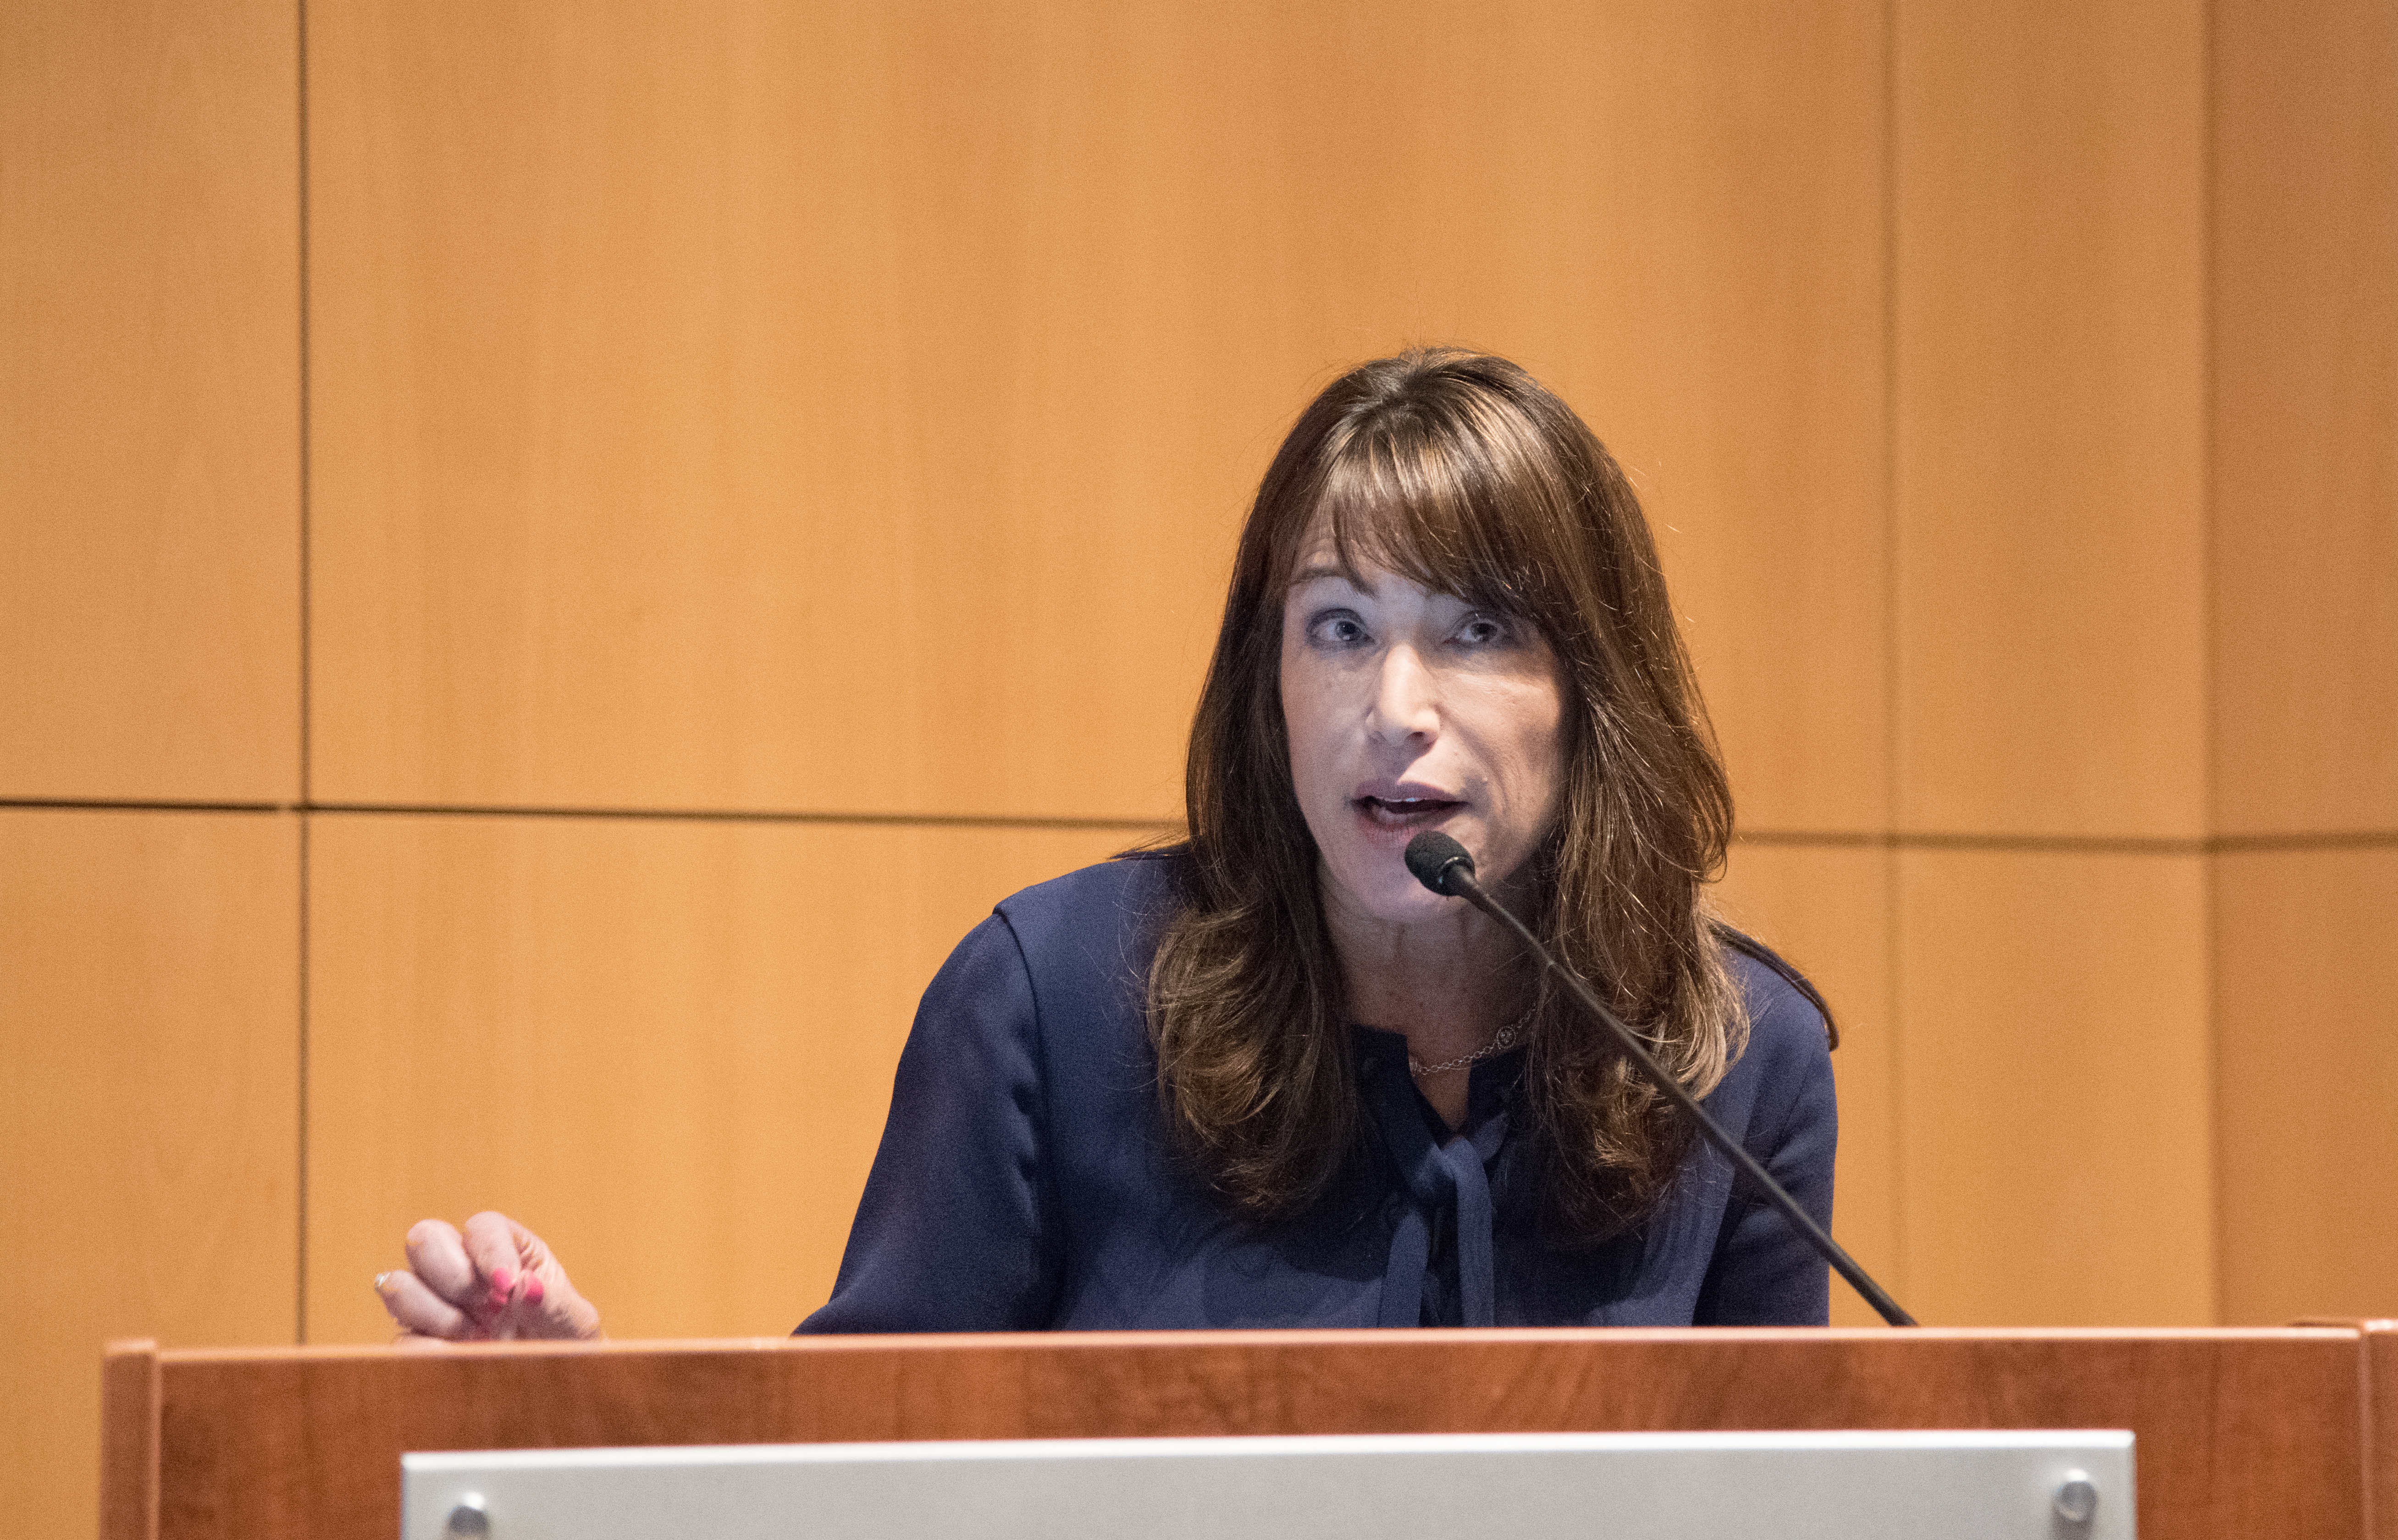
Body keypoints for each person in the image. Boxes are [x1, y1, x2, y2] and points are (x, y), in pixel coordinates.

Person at [376, 348, 1838, 1342]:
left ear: (1592, 693)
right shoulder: (1054, 1004)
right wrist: (581, 1422)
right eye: (1339, 630)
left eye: (1475, 634)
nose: (1394, 711)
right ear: (1267, 688)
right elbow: (857, 1489)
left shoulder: (1731, 1061)